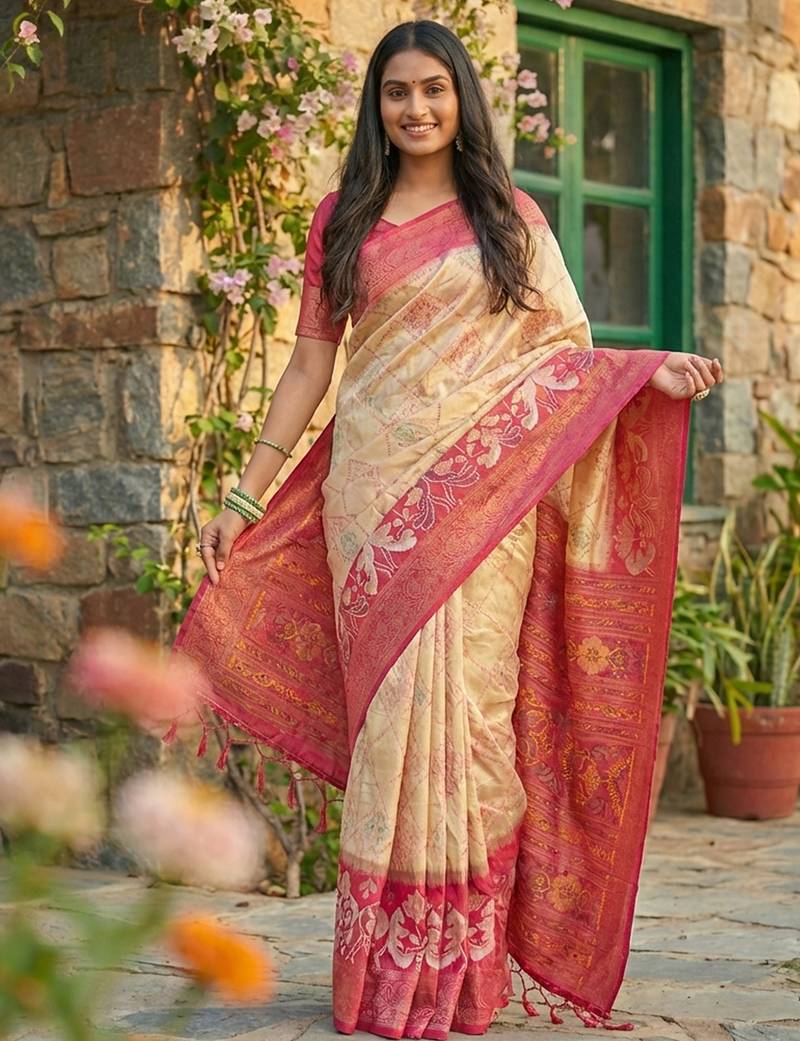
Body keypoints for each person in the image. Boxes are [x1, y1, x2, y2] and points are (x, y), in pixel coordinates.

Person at [168, 18, 723, 1040]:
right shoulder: (344, 218)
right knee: (392, 725)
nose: (415, 107)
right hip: (371, 504)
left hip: (484, 506)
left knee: (473, 719)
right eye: (397, 92)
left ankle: (462, 975)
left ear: (460, 98)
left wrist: (643, 374)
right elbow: (308, 366)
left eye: (432, 89)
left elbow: (561, 355)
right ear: (375, 106)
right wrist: (244, 497)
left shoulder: (507, 216)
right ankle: (386, 976)